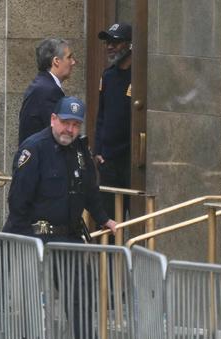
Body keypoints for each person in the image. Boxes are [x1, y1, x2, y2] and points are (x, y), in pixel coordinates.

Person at [4, 96, 115, 339]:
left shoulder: (79, 150)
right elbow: (18, 202)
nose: (70, 129)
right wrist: (22, 245)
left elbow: (89, 190)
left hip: (69, 239)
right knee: (29, 308)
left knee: (82, 303)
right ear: (54, 120)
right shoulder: (34, 149)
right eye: (65, 122)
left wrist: (104, 219)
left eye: (75, 125)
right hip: (36, 238)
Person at [94, 22, 133, 221]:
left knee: (135, 218)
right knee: (109, 218)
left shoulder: (139, 77)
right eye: (108, 42)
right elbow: (101, 116)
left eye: (115, 42)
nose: (110, 46)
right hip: (108, 161)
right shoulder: (108, 76)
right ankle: (108, 254)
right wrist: (98, 150)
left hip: (131, 162)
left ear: (129, 44)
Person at [17, 38, 76, 145]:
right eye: (69, 57)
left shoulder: (43, 85)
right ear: (56, 61)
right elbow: (57, 133)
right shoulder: (48, 90)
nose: (73, 62)